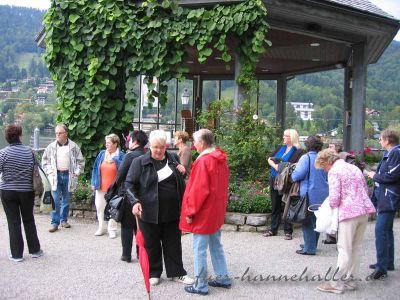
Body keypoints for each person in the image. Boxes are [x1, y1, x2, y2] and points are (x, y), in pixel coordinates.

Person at [125, 129, 194, 286]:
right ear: (150, 145)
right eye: (155, 146)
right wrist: (135, 201)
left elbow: (179, 180)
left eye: (162, 147)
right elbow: (128, 184)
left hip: (172, 211)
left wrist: (182, 172)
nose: (158, 150)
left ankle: (177, 273)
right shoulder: (139, 162)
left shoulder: (173, 158)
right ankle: (154, 272)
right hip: (148, 211)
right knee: (152, 243)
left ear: (166, 146)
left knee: (173, 243)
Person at [315, 149, 375, 294]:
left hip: (348, 214)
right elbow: (365, 189)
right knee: (356, 248)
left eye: (323, 167)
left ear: (327, 162)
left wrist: (326, 209)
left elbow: (335, 198)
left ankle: (336, 283)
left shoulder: (334, 171)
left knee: (344, 249)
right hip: (363, 211)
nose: (324, 170)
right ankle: (350, 281)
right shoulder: (354, 167)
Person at [180, 129, 231, 296]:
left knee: (199, 249)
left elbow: (198, 190)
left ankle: (200, 285)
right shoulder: (219, 159)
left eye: (195, 142)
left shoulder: (204, 161)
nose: (194, 146)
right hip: (215, 210)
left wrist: (190, 211)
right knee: (216, 245)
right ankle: (223, 278)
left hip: (203, 212)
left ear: (202, 143)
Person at [0, 125, 43, 262]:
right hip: (26, 191)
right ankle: (35, 250)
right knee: (29, 219)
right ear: (19, 136)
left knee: (13, 222)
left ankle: (17, 255)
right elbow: (36, 169)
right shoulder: (29, 152)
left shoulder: (3, 153)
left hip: (8, 191)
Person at [105, 130, 148, 262]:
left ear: (135, 141)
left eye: (130, 139)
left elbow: (120, 176)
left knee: (127, 226)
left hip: (129, 195)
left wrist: (111, 192)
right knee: (141, 226)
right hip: (145, 195)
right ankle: (140, 254)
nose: (128, 141)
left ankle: (126, 255)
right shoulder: (147, 155)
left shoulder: (130, 156)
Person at [367, 129, 400, 279]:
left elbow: (392, 175)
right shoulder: (393, 152)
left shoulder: (395, 152)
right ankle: (387, 262)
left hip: (389, 197)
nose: (379, 141)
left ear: (387, 140)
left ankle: (381, 268)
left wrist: (374, 175)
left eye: (381, 139)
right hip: (387, 196)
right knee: (386, 231)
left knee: (380, 231)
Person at [42, 124, 85, 233]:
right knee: (55, 200)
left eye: (60, 133)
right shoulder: (51, 147)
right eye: (56, 133)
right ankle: (54, 223)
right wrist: (50, 171)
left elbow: (81, 162)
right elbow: (44, 161)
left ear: (66, 134)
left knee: (66, 199)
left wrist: (76, 173)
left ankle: (63, 220)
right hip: (55, 175)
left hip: (68, 176)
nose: (57, 135)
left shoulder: (74, 147)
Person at [263, 128, 304, 240]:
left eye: (286, 136)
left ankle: (288, 231)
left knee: (287, 204)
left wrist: (282, 166)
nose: (283, 137)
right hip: (274, 178)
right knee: (275, 205)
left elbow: (296, 165)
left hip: (287, 181)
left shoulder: (298, 151)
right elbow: (269, 159)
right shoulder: (280, 148)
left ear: (292, 138)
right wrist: (276, 166)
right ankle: (273, 229)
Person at [291, 135, 328, 255]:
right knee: (317, 220)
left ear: (307, 145)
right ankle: (311, 244)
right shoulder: (324, 158)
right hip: (323, 194)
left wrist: (292, 174)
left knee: (307, 221)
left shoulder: (305, 158)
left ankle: (309, 248)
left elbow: (297, 175)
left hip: (309, 194)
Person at [91, 134, 125, 239]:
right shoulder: (102, 154)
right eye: (106, 142)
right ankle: (101, 227)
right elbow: (95, 168)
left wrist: (115, 159)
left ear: (115, 144)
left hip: (114, 188)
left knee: (113, 209)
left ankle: (112, 229)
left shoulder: (121, 155)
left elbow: (123, 169)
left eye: (109, 143)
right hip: (101, 186)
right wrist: (93, 182)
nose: (106, 144)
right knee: (100, 207)